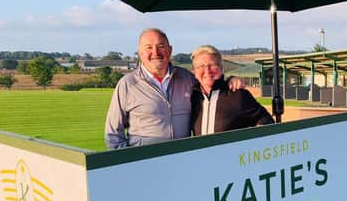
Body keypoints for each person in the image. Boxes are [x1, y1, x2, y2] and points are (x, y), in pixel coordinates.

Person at [105, 28, 245, 149]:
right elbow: (113, 134)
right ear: (140, 53)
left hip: (181, 162)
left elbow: (210, 82)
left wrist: (230, 80)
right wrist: (128, 164)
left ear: (170, 50)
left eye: (161, 46)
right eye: (148, 47)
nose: (155, 52)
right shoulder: (127, 84)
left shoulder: (186, 78)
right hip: (145, 166)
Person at [190, 45, 273, 136]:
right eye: (201, 66)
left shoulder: (238, 95)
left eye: (212, 65)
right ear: (194, 72)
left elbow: (266, 122)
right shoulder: (192, 97)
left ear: (221, 69)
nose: (207, 70)